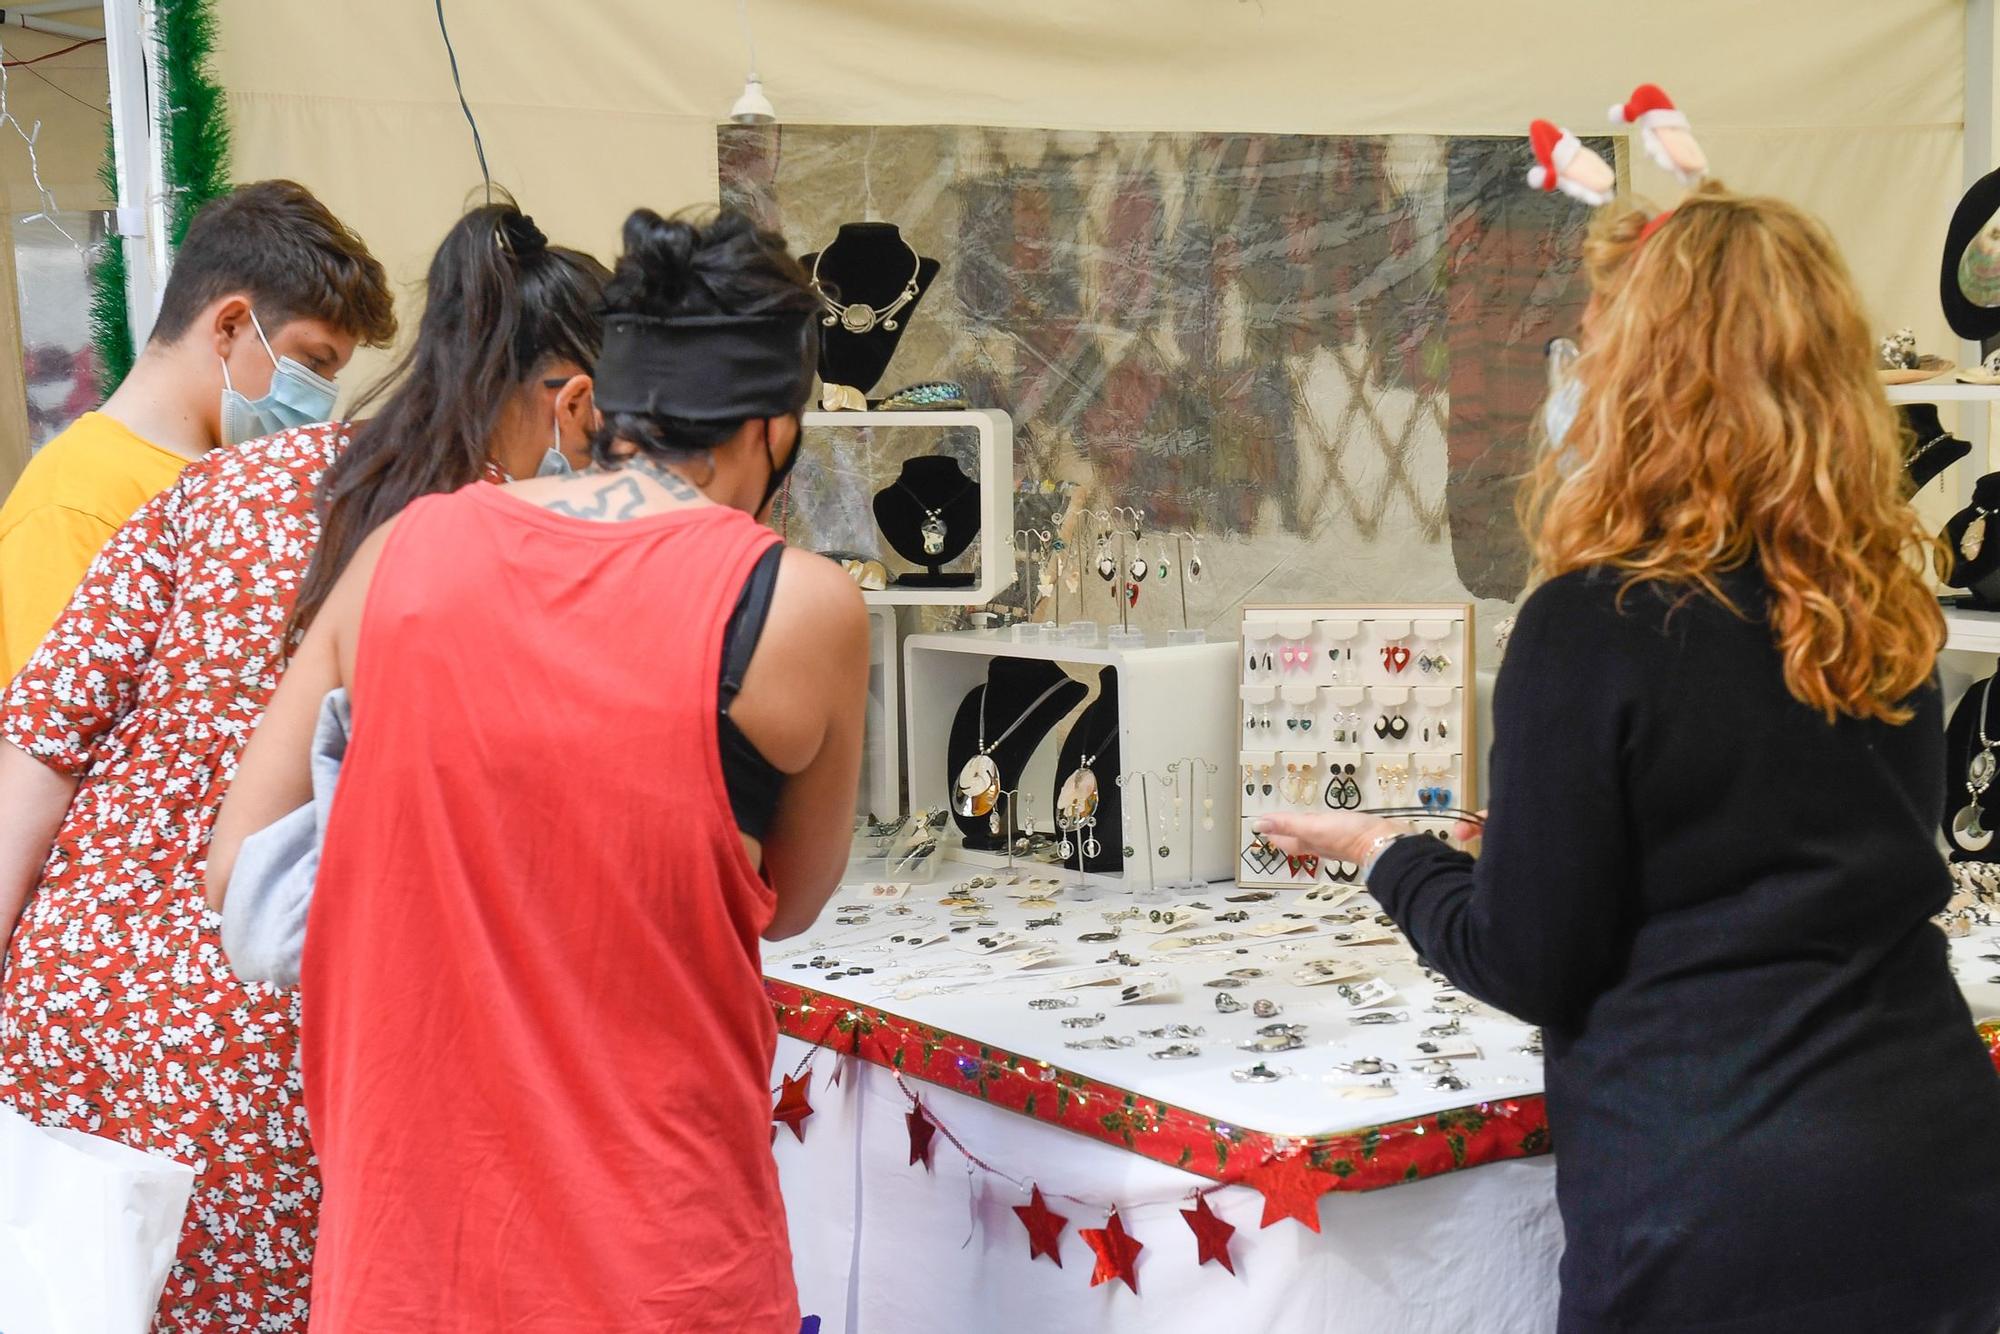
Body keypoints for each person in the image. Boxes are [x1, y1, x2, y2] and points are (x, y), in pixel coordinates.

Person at [1258, 184, 2000, 1334]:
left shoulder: (1591, 622)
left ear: (1641, 383)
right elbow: (1785, 847)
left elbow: (1528, 957)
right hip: (1928, 1164)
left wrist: (1384, 852)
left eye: (1591, 343)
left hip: (1710, 1206)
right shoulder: (1874, 608)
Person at [208, 208, 867, 1330]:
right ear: (774, 429)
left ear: (599, 406)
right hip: (661, 1263)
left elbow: (243, 878)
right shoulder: (791, 604)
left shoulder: (399, 554)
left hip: (408, 1262)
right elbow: (790, 899)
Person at [0, 200, 606, 1330]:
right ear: (567, 400)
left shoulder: (222, 486)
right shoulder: (495, 545)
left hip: (67, 1020)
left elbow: (38, 745)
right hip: (271, 1043)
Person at [0, 180, 396, 680]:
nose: (320, 397)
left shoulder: (240, 483)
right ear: (230, 324)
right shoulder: (77, 503)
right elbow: (43, 743)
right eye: (313, 363)